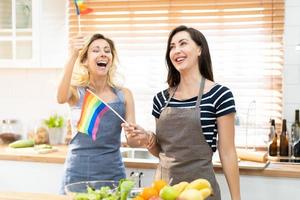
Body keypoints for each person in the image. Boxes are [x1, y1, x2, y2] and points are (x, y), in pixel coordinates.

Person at [122, 25, 241, 200]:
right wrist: (147, 138)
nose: (176, 50)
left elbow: (228, 152)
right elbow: (163, 152)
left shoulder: (220, 95)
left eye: (183, 44)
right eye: (172, 47)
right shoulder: (160, 99)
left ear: (200, 49)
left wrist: (236, 198)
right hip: (163, 192)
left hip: (200, 194)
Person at [57, 33, 135, 193]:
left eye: (107, 50)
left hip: (112, 172)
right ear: (85, 60)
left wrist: (135, 134)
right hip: (77, 171)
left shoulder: (125, 95)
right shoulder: (76, 93)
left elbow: (133, 141)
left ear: (111, 59)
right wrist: (73, 55)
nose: (103, 54)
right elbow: (60, 97)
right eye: (96, 50)